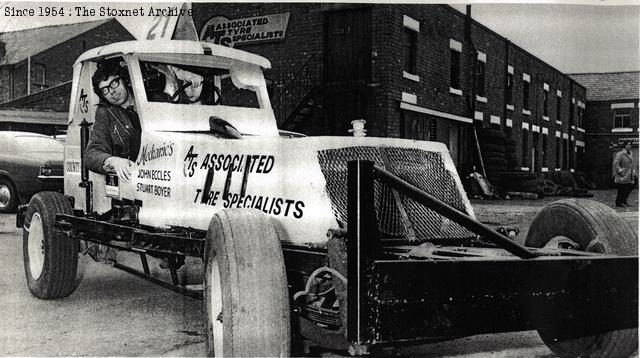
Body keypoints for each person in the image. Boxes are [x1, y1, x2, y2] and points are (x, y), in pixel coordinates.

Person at [84, 59, 141, 183]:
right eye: (105, 90)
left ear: (124, 79)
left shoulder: (152, 100)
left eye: (114, 83)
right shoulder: (105, 113)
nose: (112, 92)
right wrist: (113, 161)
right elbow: (91, 154)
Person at [612, 140, 636, 207]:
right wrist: (621, 171)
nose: (629, 146)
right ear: (624, 146)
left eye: (630, 145)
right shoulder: (620, 154)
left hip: (629, 174)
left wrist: (632, 172)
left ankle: (624, 201)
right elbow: (616, 164)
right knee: (621, 189)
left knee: (627, 189)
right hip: (622, 174)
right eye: (628, 144)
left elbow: (631, 164)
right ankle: (619, 203)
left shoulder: (631, 153)